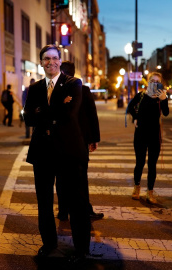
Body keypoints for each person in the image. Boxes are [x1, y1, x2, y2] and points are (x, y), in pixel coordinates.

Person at [23, 45, 91, 265]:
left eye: (54, 58)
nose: (50, 62)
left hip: (68, 151)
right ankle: (48, 243)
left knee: (75, 202)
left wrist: (42, 111)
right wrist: (51, 112)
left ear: (60, 61)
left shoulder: (74, 84)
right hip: (42, 152)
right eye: (46, 59)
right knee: (44, 202)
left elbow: (69, 115)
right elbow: (29, 119)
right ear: (41, 62)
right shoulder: (34, 89)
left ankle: (81, 249)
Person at [57, 61, 103, 220]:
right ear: (74, 72)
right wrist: (94, 139)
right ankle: (85, 210)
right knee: (81, 177)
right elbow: (92, 116)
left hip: (61, 141)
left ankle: (63, 211)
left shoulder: (57, 90)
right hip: (80, 141)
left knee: (61, 176)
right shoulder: (83, 90)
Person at [127, 72, 169, 204]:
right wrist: (134, 118)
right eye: (152, 80)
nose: (154, 83)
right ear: (148, 81)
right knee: (140, 162)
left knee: (152, 165)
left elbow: (166, 113)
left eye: (157, 81)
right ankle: (136, 187)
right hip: (140, 134)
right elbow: (130, 108)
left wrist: (164, 99)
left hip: (154, 135)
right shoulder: (141, 96)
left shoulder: (160, 97)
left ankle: (150, 191)